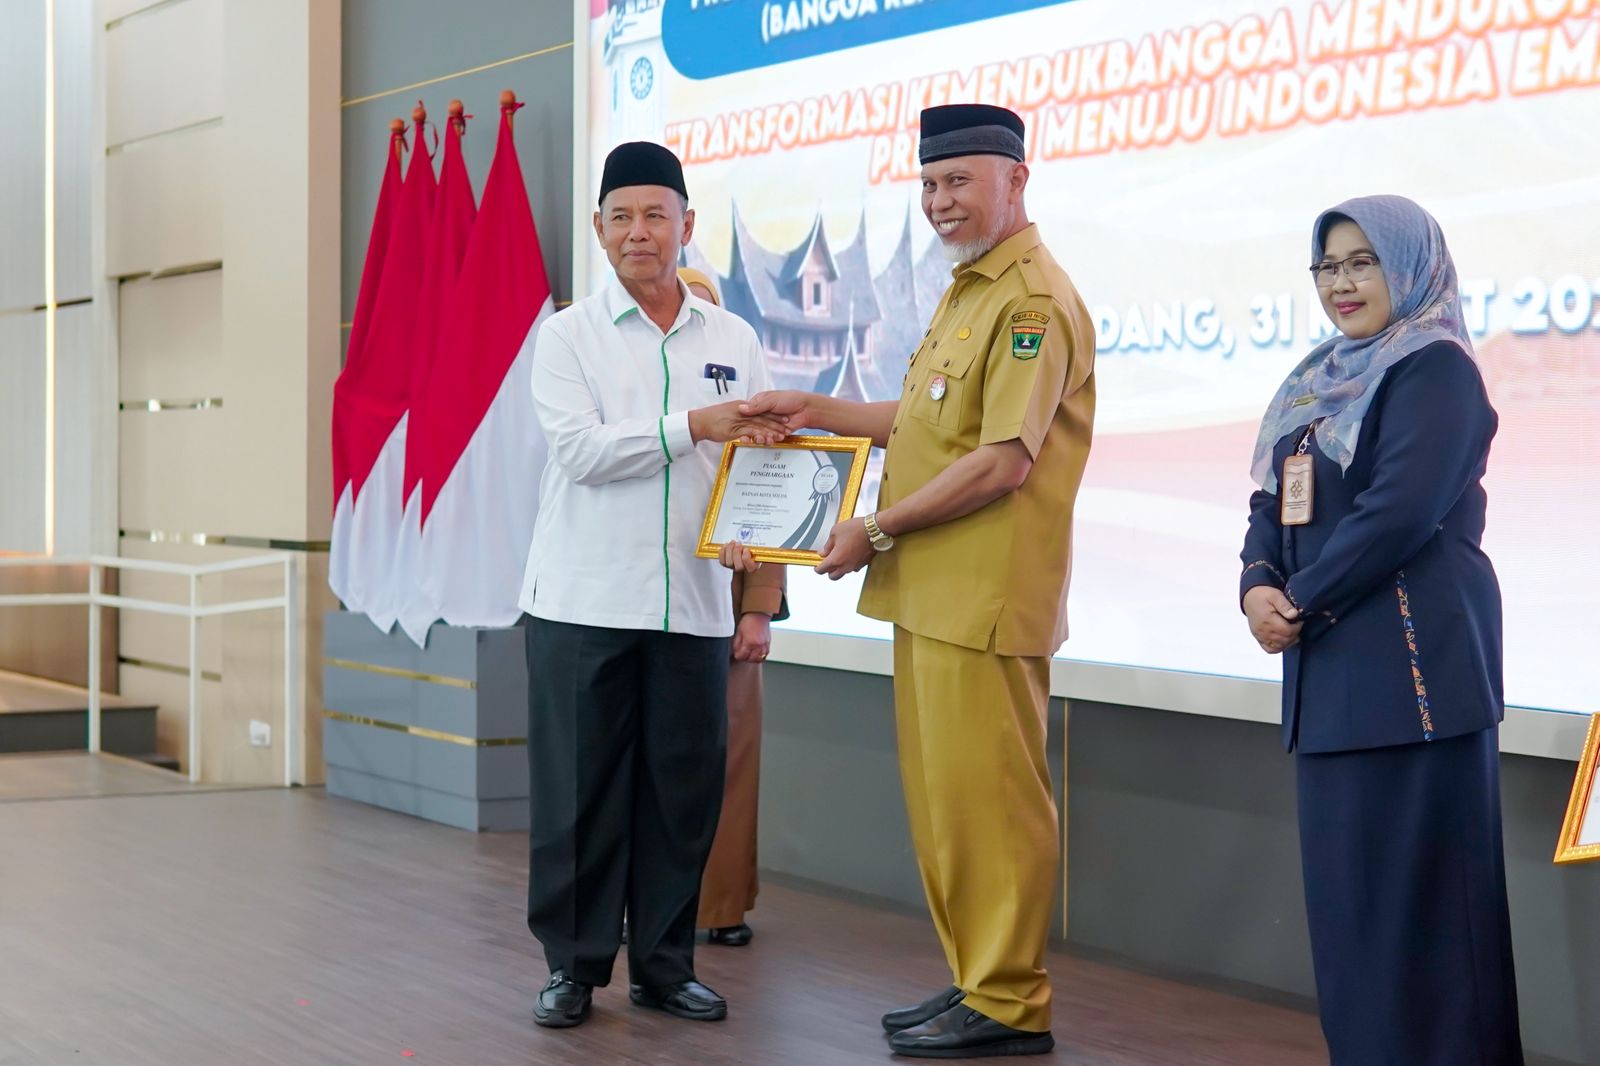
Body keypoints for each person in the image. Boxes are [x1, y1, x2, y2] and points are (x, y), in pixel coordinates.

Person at [728, 103, 1096, 1058]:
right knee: (947, 808)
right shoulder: (967, 290)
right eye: (929, 185)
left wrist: (874, 528)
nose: (939, 202)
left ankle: (1013, 1002)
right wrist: (817, 407)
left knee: (995, 806)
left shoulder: (1031, 302)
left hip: (983, 598)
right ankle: (980, 981)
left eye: (959, 182)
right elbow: (926, 423)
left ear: (1017, 181)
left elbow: (1004, 460)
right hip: (933, 595)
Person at [1238, 195, 1522, 1065]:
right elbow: (1269, 504)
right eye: (1328, 266)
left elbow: (1399, 511)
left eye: (1362, 262)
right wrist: (1255, 584)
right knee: (1352, 918)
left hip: (1414, 679)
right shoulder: (1318, 378)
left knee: (1428, 920)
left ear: (1409, 264)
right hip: (1331, 683)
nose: (1342, 283)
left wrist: (1301, 599)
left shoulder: (1436, 369)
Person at [517, 141, 781, 1029]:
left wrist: (758, 543)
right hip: (582, 603)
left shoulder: (735, 339)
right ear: (598, 229)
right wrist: (692, 424)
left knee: (681, 793)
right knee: (582, 796)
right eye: (622, 216)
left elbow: (754, 464)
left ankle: (666, 967)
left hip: (695, 605)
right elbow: (583, 454)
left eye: (656, 214)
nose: (640, 232)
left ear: (686, 227)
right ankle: (574, 968)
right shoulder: (566, 337)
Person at [677, 266, 786, 949]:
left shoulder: (747, 397)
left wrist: (759, 609)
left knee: (731, 757)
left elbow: (770, 498)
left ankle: (719, 907)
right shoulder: (636, 403)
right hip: (644, 606)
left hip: (727, 607)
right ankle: (640, 904)